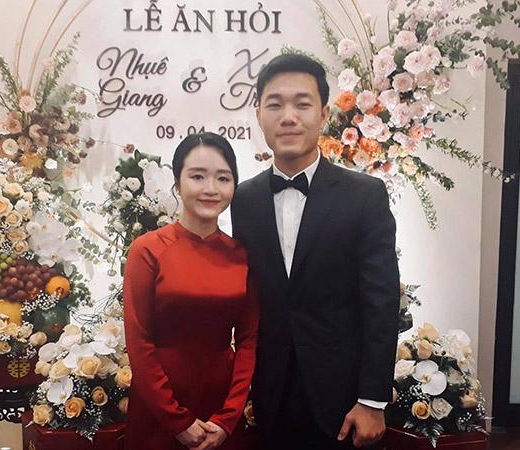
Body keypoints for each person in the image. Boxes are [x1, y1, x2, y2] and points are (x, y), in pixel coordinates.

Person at [231, 54, 400, 450]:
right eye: (275, 104)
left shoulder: (365, 195)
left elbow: (381, 300)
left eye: (302, 104)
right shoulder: (243, 199)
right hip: (270, 396)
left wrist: (372, 400)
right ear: (259, 115)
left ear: (323, 114)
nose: (288, 117)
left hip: (344, 401)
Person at [123, 132, 259, 450]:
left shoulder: (242, 255)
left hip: (221, 408)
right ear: (177, 183)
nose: (211, 188)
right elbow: (138, 342)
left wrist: (228, 417)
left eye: (223, 178)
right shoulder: (148, 249)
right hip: (158, 406)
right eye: (197, 176)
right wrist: (176, 420)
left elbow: (249, 341)